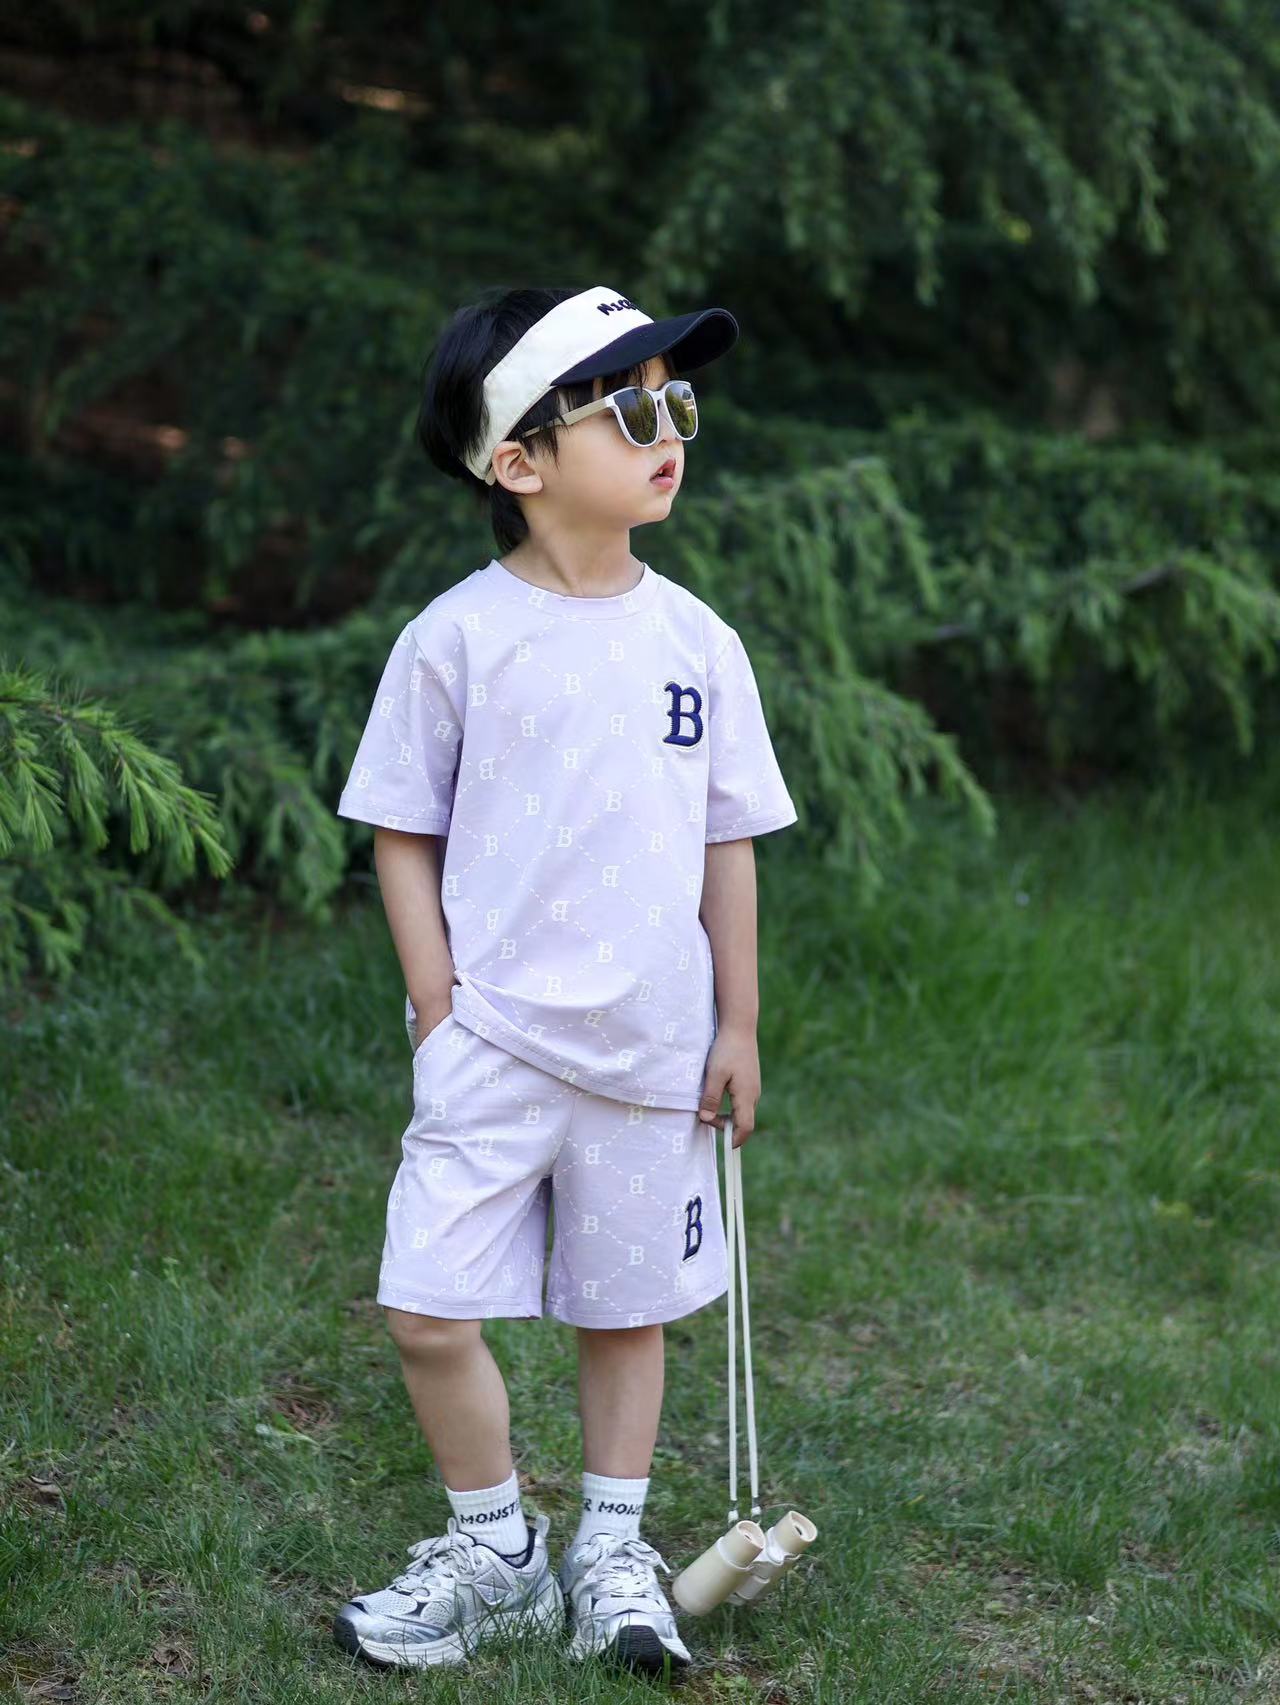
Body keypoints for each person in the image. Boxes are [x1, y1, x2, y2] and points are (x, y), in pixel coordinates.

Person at [330, 284, 799, 1677]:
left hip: (653, 1045)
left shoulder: (699, 642)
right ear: (519, 462)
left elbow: (725, 841)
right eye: (630, 414)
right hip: (491, 1037)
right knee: (427, 1306)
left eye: (677, 404)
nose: (671, 434)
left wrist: (738, 1020)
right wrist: (437, 1004)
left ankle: (611, 1546)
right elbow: (400, 827)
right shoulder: (456, 637)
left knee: (623, 1307)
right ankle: (495, 1549)